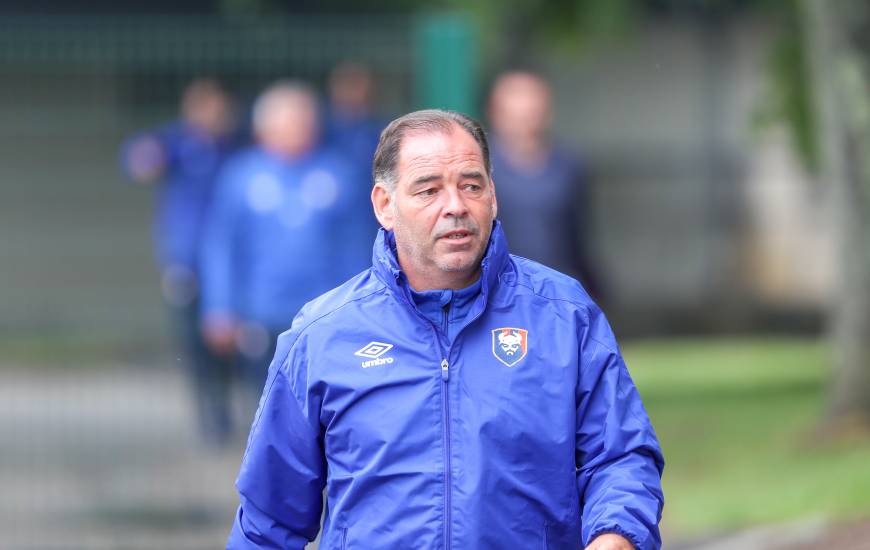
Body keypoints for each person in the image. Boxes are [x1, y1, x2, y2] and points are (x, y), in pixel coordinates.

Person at [226, 110, 664, 549]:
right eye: (429, 189)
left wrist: (616, 535)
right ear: (384, 205)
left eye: (471, 185)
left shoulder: (564, 316)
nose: (455, 206)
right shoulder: (322, 336)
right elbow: (267, 522)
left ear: (493, 196)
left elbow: (621, 457)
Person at [199, 81, 364, 403]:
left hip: (325, 313)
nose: (297, 130)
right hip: (261, 312)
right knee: (267, 402)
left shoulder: (339, 175)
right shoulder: (241, 176)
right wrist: (220, 307)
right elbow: (221, 246)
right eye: (287, 123)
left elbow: (357, 246)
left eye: (303, 122)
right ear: (264, 129)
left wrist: (359, 306)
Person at [120, 78, 239, 449]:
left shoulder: (238, 147)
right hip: (188, 262)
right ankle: (211, 417)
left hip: (236, 264)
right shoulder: (177, 142)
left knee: (240, 342)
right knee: (194, 342)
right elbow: (139, 160)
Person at [488, 70, 599, 296]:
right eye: (516, 114)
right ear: (496, 114)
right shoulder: (480, 166)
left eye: (532, 112)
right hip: (499, 288)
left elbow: (577, 236)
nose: (525, 123)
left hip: (557, 287)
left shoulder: (568, 166)